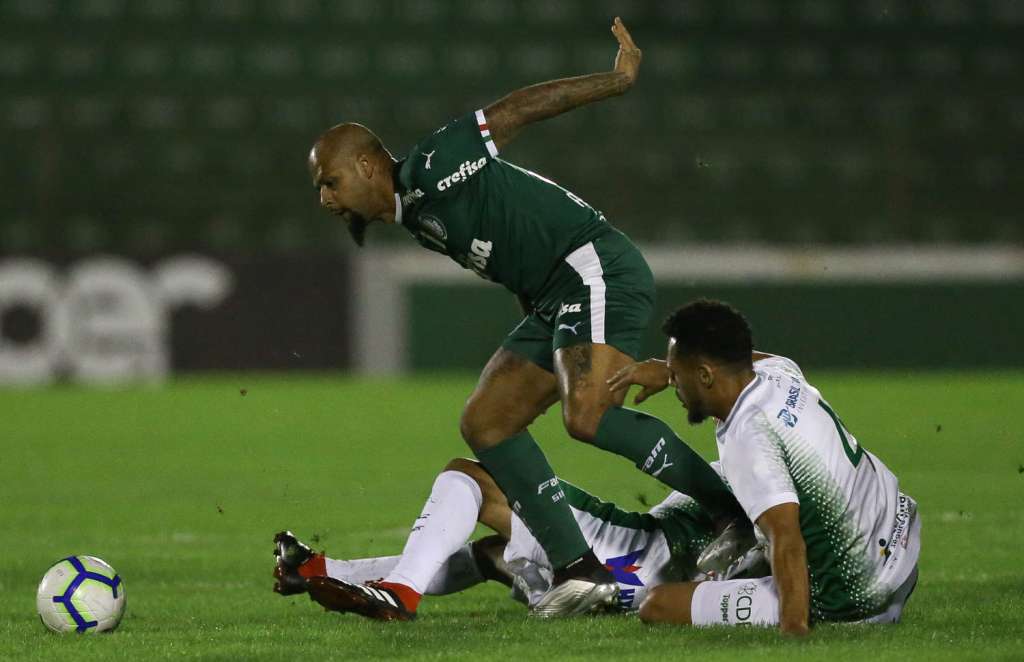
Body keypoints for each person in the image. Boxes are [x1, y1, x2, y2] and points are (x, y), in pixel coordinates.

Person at [306, 18, 747, 615]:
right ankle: (579, 569)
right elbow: (513, 256)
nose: (325, 199)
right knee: (487, 422)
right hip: (553, 293)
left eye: (329, 182)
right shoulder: (413, 214)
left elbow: (513, 111)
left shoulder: (433, 168)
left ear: (364, 166)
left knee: (587, 413)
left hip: (594, 268)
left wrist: (614, 82)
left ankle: (732, 513)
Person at [607, 299, 921, 635]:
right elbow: (744, 359)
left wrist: (793, 629)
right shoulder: (779, 373)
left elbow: (786, 538)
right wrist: (670, 371)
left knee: (657, 605)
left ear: (704, 375)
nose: (675, 386)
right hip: (902, 545)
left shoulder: (749, 437)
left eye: (676, 374)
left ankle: (773, 588)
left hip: (858, 597)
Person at [271, 457, 756, 621]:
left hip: (626, 549)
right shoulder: (786, 483)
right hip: (640, 580)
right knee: (489, 555)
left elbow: (735, 531)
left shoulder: (753, 467)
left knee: (472, 479)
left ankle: (398, 592)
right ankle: (315, 571)